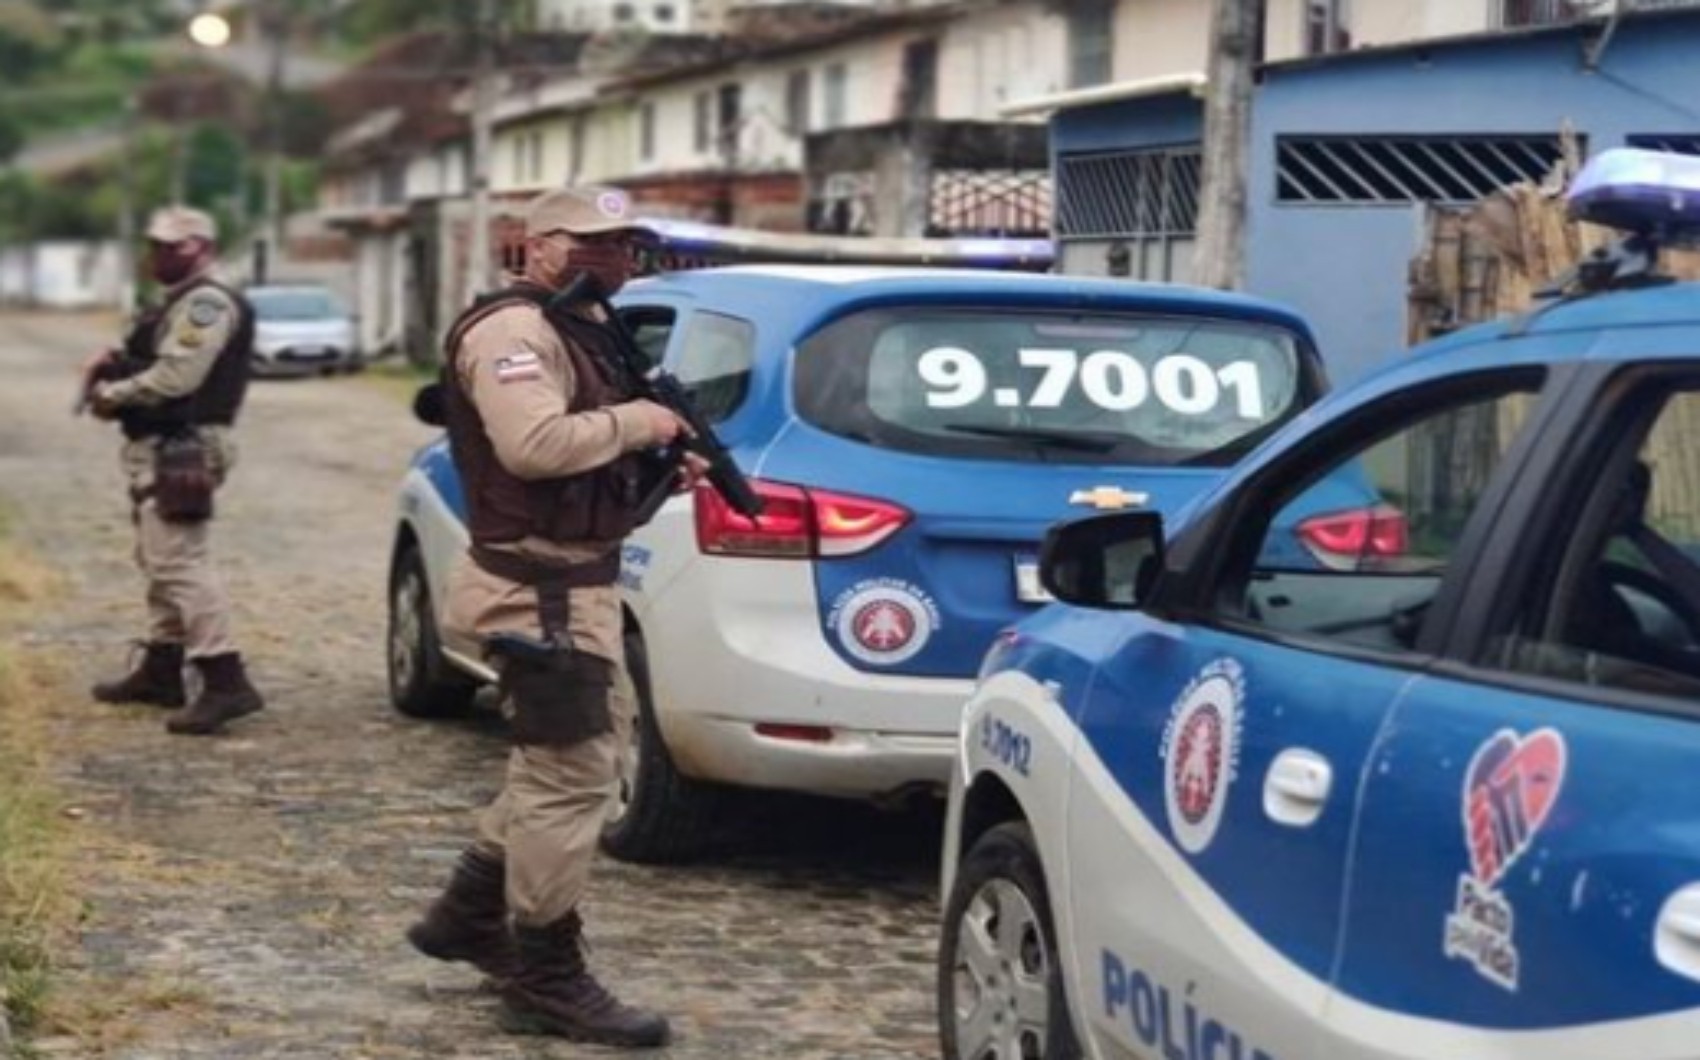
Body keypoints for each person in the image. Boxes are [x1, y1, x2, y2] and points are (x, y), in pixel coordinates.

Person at [407, 186, 694, 1047]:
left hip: (575, 583)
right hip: (538, 590)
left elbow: (584, 468)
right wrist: (642, 421)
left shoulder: (583, 327)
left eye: (622, 245)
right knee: (572, 775)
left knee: (554, 768)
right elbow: (532, 447)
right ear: (535, 246)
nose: (610, 259)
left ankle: (466, 915)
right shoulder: (513, 332)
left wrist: (655, 466)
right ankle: (544, 970)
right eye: (588, 242)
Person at [83, 205, 265, 737]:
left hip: (184, 446)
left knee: (180, 562)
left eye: (174, 246)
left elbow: (177, 376)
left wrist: (110, 394)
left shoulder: (206, 302)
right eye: (157, 244)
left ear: (202, 247)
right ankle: (163, 668)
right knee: (158, 557)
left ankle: (225, 678)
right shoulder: (178, 301)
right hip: (162, 446)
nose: (160, 254)